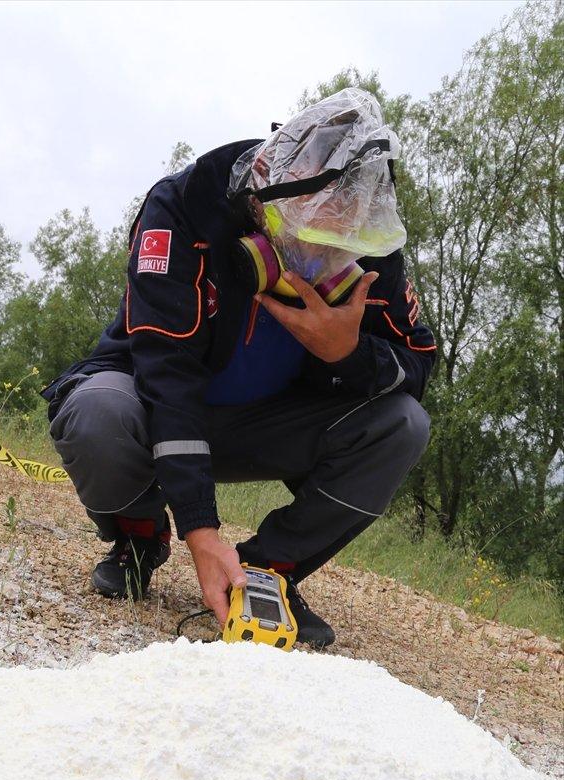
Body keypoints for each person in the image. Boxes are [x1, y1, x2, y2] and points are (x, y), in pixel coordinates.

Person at [42, 90, 436, 647]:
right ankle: (139, 537)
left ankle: (267, 572)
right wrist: (199, 528)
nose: (330, 262)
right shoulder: (182, 207)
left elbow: (417, 364)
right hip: (156, 409)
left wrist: (347, 354)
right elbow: (166, 373)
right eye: (314, 240)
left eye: (343, 245)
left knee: (404, 426)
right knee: (95, 414)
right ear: (263, 201)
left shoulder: (368, 244)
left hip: (268, 425)